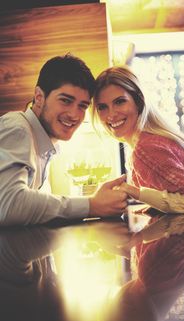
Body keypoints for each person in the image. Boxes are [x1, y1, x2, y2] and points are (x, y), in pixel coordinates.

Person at [0, 54, 128, 226]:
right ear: (39, 97)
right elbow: (9, 205)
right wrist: (91, 205)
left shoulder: (43, 143)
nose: (74, 115)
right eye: (65, 100)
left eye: (82, 106)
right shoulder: (18, 128)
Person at [92, 65, 184, 223]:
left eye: (120, 102)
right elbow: (178, 194)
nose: (111, 115)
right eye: (102, 107)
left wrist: (133, 191)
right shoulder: (148, 141)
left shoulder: (147, 148)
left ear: (138, 101)